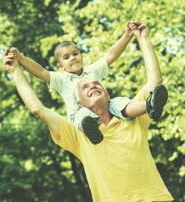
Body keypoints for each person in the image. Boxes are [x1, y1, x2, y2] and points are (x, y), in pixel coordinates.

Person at [3, 23, 184, 202]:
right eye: (85, 87)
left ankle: (146, 106)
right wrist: (16, 71)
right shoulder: (77, 135)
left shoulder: (132, 119)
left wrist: (142, 38)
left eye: (96, 84)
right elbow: (38, 109)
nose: (91, 85)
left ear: (107, 93)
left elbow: (154, 83)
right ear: (78, 102)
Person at [5, 20, 168, 145]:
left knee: (119, 102)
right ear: (61, 66)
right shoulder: (61, 79)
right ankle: (92, 131)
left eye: (75, 54)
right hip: (79, 113)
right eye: (66, 57)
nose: (73, 58)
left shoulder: (92, 71)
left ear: (81, 56)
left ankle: (150, 106)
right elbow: (40, 71)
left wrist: (127, 35)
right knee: (84, 116)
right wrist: (21, 59)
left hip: (106, 106)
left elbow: (111, 55)